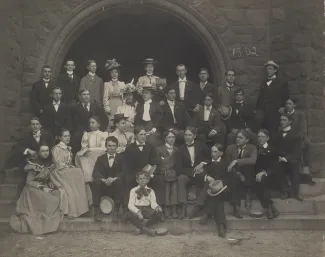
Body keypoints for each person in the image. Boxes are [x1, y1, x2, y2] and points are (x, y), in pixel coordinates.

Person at [9, 144, 61, 235]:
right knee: (48, 200)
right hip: (32, 188)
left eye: (47, 151)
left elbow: (46, 177)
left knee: (56, 195)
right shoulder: (33, 164)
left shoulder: (50, 163)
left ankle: (47, 223)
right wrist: (42, 187)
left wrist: (49, 183)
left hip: (43, 186)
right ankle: (40, 225)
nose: (45, 153)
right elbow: (29, 182)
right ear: (38, 152)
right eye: (43, 151)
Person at [50, 129, 91, 219]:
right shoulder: (56, 148)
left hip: (66, 170)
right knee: (76, 175)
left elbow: (70, 162)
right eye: (65, 136)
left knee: (79, 173)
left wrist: (71, 166)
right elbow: (58, 163)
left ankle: (82, 208)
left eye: (68, 136)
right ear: (60, 138)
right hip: (59, 171)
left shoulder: (68, 148)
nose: (68, 138)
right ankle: (73, 210)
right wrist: (68, 167)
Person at [175, 127, 210, 219]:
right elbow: (178, 168)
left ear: (194, 135)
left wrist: (202, 164)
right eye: (185, 135)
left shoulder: (201, 145)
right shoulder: (180, 149)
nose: (187, 137)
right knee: (180, 179)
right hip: (188, 174)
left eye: (190, 135)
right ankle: (183, 208)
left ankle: (199, 208)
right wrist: (192, 172)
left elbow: (209, 158)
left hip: (201, 173)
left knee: (205, 178)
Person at [92, 136, 125, 222]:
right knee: (96, 182)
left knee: (120, 181)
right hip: (103, 185)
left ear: (117, 146)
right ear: (106, 146)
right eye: (109, 146)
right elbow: (95, 172)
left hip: (115, 185)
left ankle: (116, 212)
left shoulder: (121, 158)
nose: (112, 148)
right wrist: (103, 180)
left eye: (114, 146)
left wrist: (114, 179)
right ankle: (97, 211)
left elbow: (124, 172)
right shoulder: (100, 159)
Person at [198, 143, 228, 238]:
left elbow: (229, 177)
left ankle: (207, 213)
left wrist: (220, 184)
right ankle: (221, 226)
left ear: (221, 153)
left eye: (215, 151)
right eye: (211, 151)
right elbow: (201, 173)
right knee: (217, 200)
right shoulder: (207, 163)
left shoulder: (226, 163)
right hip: (211, 190)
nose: (213, 153)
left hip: (223, 189)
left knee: (217, 195)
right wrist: (207, 177)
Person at [226, 129, 257, 217]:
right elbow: (228, 166)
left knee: (248, 167)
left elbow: (253, 160)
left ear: (246, 140)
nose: (237, 139)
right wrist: (238, 173)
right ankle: (236, 207)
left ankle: (248, 193)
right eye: (237, 137)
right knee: (233, 177)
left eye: (240, 138)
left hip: (248, 175)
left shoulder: (252, 148)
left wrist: (236, 161)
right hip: (235, 174)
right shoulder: (230, 148)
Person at [123, 126, 159, 205]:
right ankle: (127, 208)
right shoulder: (129, 148)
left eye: (144, 134)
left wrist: (149, 175)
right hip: (134, 175)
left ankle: (157, 207)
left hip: (148, 174)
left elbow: (154, 163)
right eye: (140, 134)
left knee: (157, 181)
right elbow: (126, 166)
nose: (143, 136)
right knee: (128, 183)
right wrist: (135, 176)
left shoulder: (150, 147)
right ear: (135, 136)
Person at [273, 114, 303, 201]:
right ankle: (285, 190)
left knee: (295, 164)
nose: (282, 121)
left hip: (291, 159)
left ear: (290, 121)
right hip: (280, 160)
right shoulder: (277, 135)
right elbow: (275, 149)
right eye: (281, 120)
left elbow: (297, 152)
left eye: (284, 120)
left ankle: (296, 191)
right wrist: (279, 157)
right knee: (277, 165)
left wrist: (286, 158)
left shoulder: (296, 135)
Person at [256, 61, 289, 138]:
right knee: (264, 132)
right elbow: (260, 97)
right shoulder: (264, 82)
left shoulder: (282, 82)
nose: (268, 71)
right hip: (264, 112)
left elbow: (286, 96)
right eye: (267, 69)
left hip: (275, 111)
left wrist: (283, 107)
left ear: (275, 70)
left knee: (273, 132)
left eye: (270, 69)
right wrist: (258, 109)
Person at [285, 98, 314, 184]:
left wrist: (299, 136)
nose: (288, 105)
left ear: (295, 105)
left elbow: (303, 129)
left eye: (290, 104)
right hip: (287, 138)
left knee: (307, 145)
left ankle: (306, 171)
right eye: (286, 104)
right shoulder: (284, 114)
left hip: (298, 137)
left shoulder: (300, 114)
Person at [71, 89, 108, 154]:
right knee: (76, 136)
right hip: (82, 131)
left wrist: (100, 129)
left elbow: (105, 119)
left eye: (88, 94)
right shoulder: (75, 108)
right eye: (84, 94)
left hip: (96, 130)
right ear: (80, 96)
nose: (86, 96)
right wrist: (83, 131)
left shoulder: (96, 106)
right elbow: (75, 122)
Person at [126, 171, 163, 236]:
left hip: (147, 210)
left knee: (158, 214)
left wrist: (157, 207)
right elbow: (130, 204)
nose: (142, 180)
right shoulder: (133, 190)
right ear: (137, 180)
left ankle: (141, 228)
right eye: (140, 179)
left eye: (144, 178)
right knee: (129, 214)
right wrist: (138, 212)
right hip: (137, 209)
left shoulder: (151, 191)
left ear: (148, 180)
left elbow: (153, 203)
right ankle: (146, 230)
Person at [254, 129, 281, 219]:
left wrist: (263, 173)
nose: (260, 139)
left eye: (262, 137)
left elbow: (274, 167)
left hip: (270, 175)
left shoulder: (272, 150)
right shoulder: (255, 149)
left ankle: (269, 208)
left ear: (267, 138)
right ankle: (272, 207)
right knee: (259, 185)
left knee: (261, 183)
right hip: (256, 175)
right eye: (258, 137)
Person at [75, 116, 108, 183]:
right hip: (89, 154)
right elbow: (84, 146)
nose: (90, 124)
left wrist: (90, 149)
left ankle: (96, 178)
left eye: (93, 123)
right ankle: (88, 179)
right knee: (81, 157)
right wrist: (86, 150)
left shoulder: (103, 134)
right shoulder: (87, 134)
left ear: (98, 124)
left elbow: (104, 148)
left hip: (100, 153)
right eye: (90, 123)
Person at [154, 130, 178, 219]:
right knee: (167, 182)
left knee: (174, 183)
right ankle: (166, 208)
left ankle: (174, 208)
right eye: (169, 137)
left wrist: (175, 171)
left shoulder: (177, 150)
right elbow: (156, 163)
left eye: (173, 137)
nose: (171, 139)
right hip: (162, 173)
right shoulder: (159, 149)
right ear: (165, 139)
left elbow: (178, 164)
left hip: (173, 173)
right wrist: (164, 170)